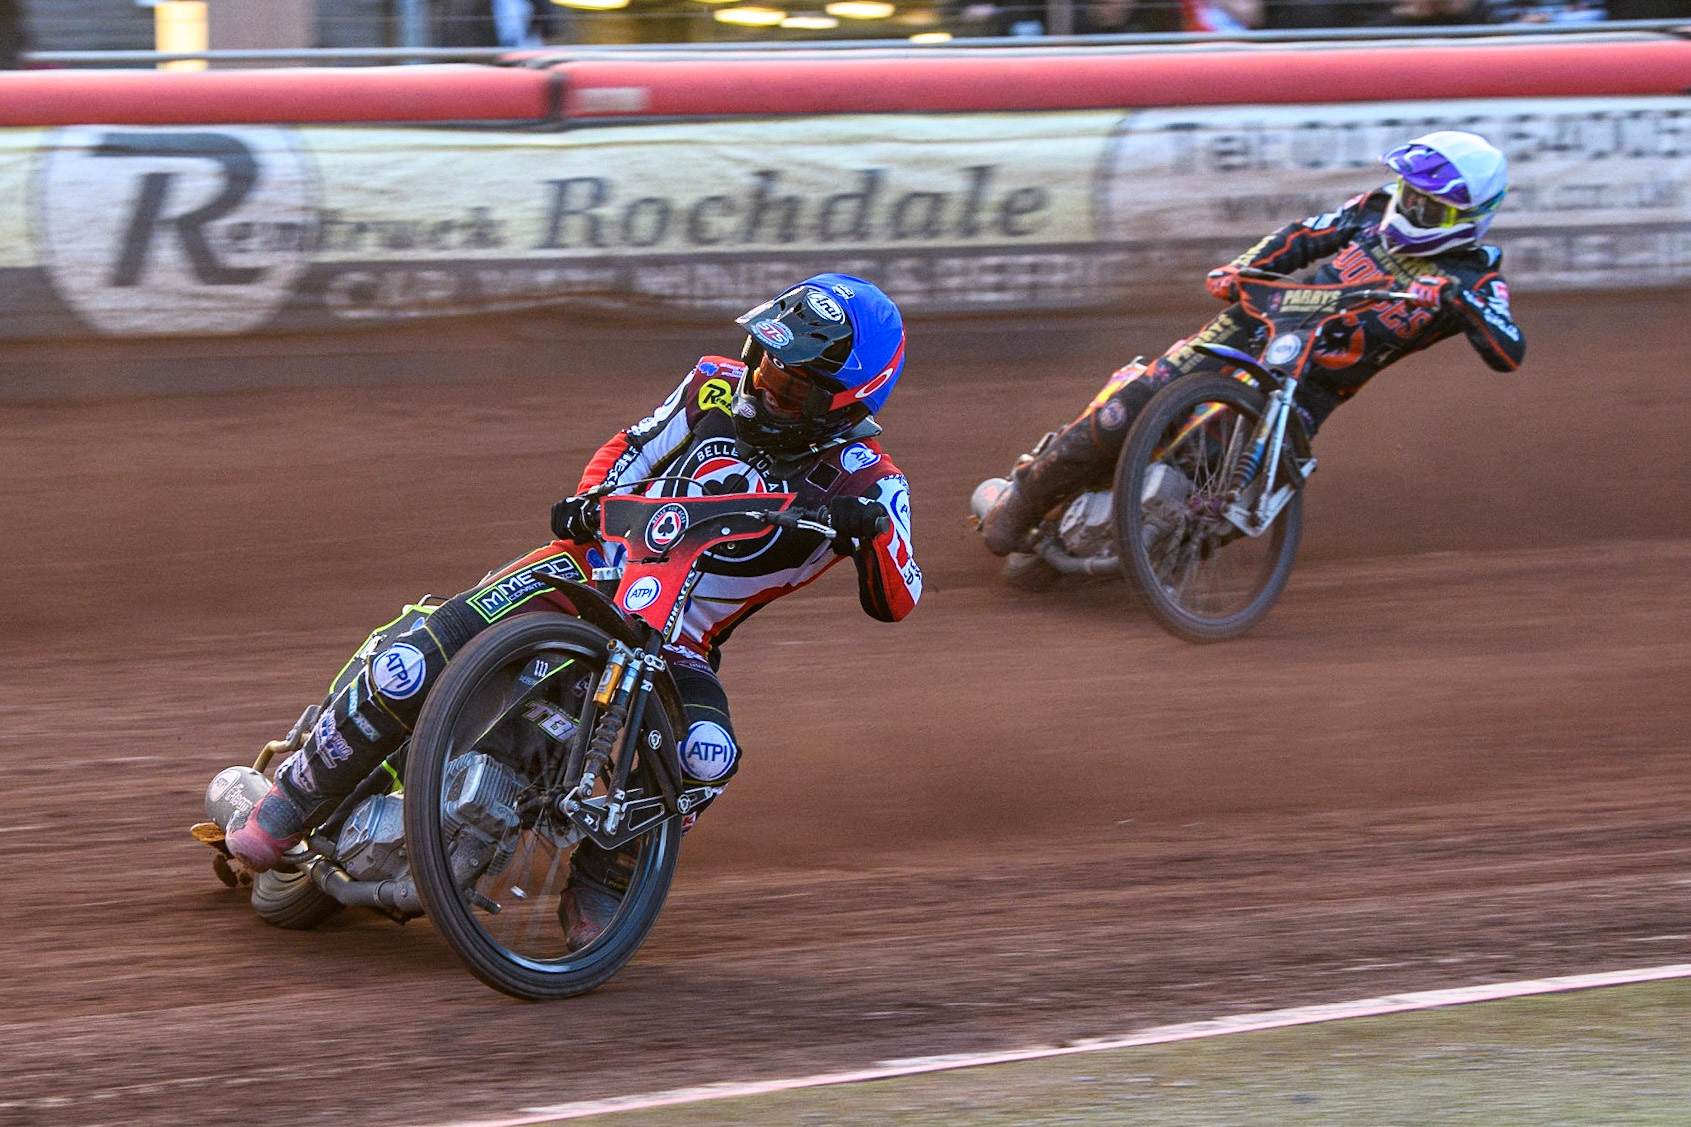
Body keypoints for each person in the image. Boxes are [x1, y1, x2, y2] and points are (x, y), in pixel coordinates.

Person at [225, 273, 922, 946]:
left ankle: (607, 877)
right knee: (412, 661)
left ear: (847, 398)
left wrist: (873, 532)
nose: (764, 381)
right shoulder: (712, 382)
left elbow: (901, 598)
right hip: (585, 568)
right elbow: (630, 445)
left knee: (706, 759)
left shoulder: (873, 482)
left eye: (790, 380)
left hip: (680, 639)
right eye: (764, 358)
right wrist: (593, 500)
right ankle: (287, 804)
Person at [980, 130, 1526, 556]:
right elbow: (1306, 234)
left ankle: (1150, 551)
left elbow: (1509, 349)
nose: (1408, 208)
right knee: (1128, 410)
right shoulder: (1375, 208)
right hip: (1256, 325)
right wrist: (1243, 269)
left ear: (1465, 220)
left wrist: (1457, 301)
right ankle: (1021, 501)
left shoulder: (1473, 279)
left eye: (1425, 205)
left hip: (1312, 387)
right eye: (1409, 194)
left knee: (1234, 492)